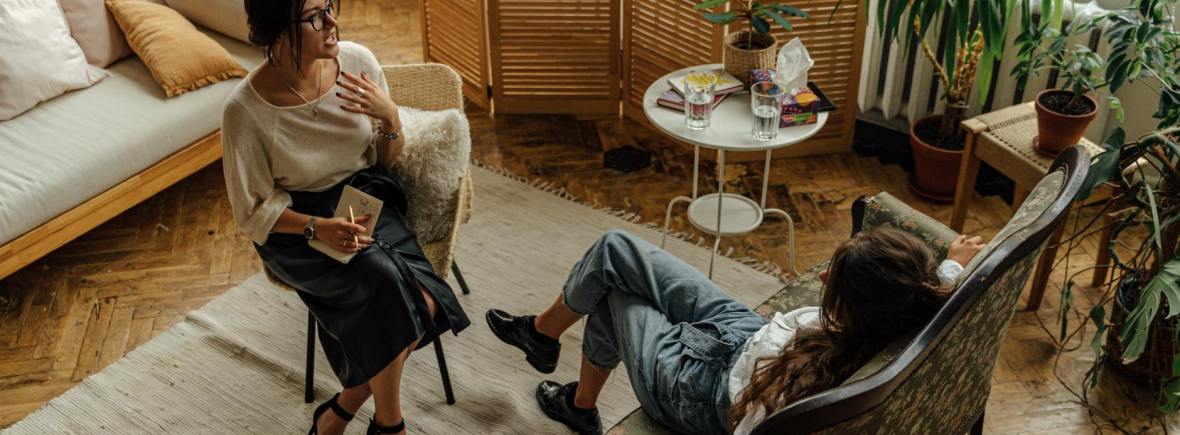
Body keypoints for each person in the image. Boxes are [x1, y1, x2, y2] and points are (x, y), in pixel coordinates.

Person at [222, 1, 470, 434]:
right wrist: (318, 227)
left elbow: (384, 161)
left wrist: (390, 116)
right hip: (293, 224)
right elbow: (253, 212)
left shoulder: (357, 62)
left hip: (363, 197)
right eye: (317, 16)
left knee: (425, 301)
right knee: (391, 287)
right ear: (279, 29)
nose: (333, 22)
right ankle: (391, 424)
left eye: (331, 6)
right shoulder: (245, 111)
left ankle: (340, 411)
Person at [487, 228, 985, 435]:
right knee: (616, 249)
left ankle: (579, 406)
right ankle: (541, 335)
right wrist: (951, 268)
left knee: (612, 297)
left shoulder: (813, 387)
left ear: (856, 307)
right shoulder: (910, 307)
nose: (822, 277)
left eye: (833, 280)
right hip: (744, 334)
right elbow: (930, 292)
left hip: (699, 393)